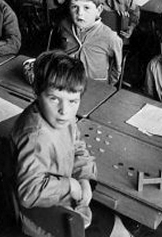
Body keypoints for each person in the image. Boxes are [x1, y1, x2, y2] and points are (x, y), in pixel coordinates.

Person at [9, 51, 130, 237]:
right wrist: (69, 185)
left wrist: (84, 179)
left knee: (117, 225)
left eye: (73, 101)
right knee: (114, 229)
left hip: (63, 202)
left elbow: (78, 148)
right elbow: (29, 193)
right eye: (54, 98)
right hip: (43, 219)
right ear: (37, 91)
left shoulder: (64, 118)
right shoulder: (35, 137)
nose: (64, 110)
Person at [55, 0, 123, 85]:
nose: (80, 13)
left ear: (98, 10)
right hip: (68, 81)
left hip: (95, 86)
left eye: (86, 8)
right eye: (74, 7)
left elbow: (117, 68)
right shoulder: (64, 25)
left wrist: (107, 86)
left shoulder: (110, 37)